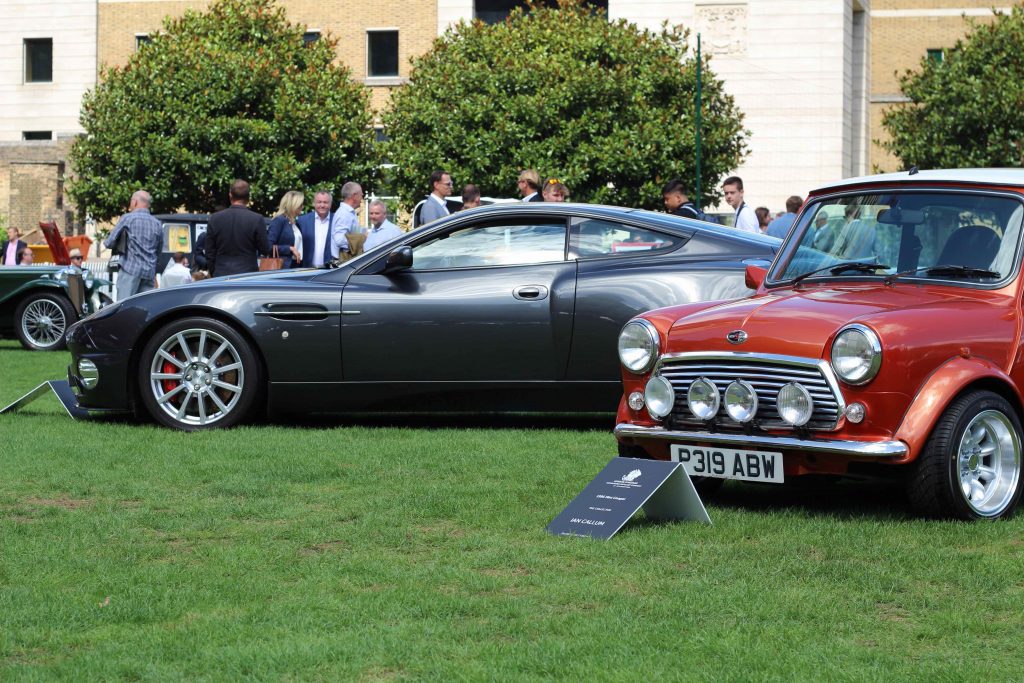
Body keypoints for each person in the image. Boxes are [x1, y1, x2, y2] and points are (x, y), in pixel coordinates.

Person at [104, 189, 163, 299]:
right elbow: (159, 250)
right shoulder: (157, 223)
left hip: (130, 270)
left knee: (124, 307)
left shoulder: (128, 218)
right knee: (145, 308)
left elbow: (109, 242)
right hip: (149, 273)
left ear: (135, 202)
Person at [205, 179, 271, 277]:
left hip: (221, 273)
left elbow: (209, 251)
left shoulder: (215, 218)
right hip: (247, 274)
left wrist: (214, 270)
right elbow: (265, 249)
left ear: (230, 195)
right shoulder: (256, 219)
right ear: (248, 197)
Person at [297, 190, 336, 268]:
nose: (322, 205)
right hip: (306, 269)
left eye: (325, 202)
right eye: (319, 202)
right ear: (314, 203)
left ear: (330, 204)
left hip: (330, 271)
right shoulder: (302, 221)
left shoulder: (337, 220)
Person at [267, 190, 304, 269]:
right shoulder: (279, 220)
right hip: (281, 267)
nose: (302, 207)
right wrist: (289, 248)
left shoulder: (295, 223)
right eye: (300, 204)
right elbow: (268, 246)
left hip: (295, 266)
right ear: (294, 205)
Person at [330, 182, 364, 261]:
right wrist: (356, 244)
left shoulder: (349, 213)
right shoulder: (344, 214)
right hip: (343, 262)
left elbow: (355, 233)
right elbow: (339, 240)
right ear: (354, 196)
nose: (362, 198)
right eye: (361, 195)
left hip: (347, 261)